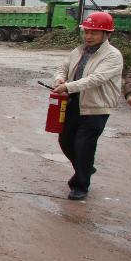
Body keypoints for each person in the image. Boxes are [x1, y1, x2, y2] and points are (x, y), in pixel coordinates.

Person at [52, 11, 124, 201]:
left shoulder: (112, 56)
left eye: (94, 33)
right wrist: (60, 78)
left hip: (96, 107)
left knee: (84, 145)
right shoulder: (78, 51)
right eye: (87, 32)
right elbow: (63, 67)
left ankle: (80, 186)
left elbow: (96, 79)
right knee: (65, 140)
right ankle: (85, 167)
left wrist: (68, 86)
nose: (89, 36)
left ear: (106, 34)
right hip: (74, 102)